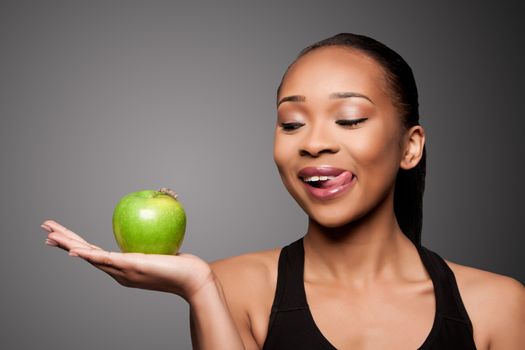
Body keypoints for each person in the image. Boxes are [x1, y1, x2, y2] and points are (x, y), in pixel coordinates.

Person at [41, 33, 524, 349]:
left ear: (410, 147)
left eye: (350, 119)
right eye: (291, 123)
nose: (313, 143)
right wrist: (199, 288)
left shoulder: (499, 306)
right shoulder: (234, 287)